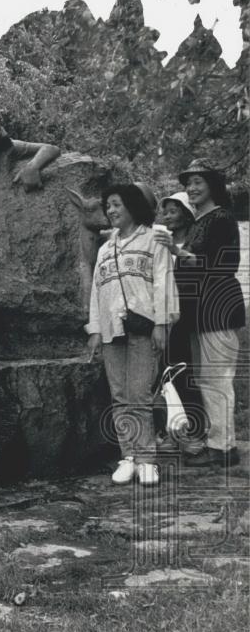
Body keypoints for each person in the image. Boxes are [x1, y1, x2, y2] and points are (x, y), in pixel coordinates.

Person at [86, 184, 178, 486]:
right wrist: (96, 330)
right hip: (113, 330)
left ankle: (147, 459)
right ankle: (127, 456)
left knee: (139, 394)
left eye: (115, 204)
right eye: (107, 205)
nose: (110, 211)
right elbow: (97, 292)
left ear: (132, 206)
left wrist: (162, 324)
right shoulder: (105, 248)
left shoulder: (154, 239)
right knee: (119, 396)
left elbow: (163, 283)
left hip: (144, 327)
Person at [155, 160, 246, 468]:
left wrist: (178, 252)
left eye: (198, 182)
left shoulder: (222, 217)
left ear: (212, 186)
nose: (191, 188)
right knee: (207, 380)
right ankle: (217, 443)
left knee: (218, 379)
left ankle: (223, 448)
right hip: (197, 312)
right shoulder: (197, 222)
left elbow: (225, 265)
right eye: (189, 183)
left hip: (219, 308)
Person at [154, 191, 204, 452]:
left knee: (186, 374)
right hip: (164, 316)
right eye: (166, 211)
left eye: (173, 211)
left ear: (186, 215)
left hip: (188, 316)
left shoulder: (195, 243)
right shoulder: (161, 241)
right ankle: (168, 430)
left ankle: (195, 431)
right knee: (164, 375)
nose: (167, 217)